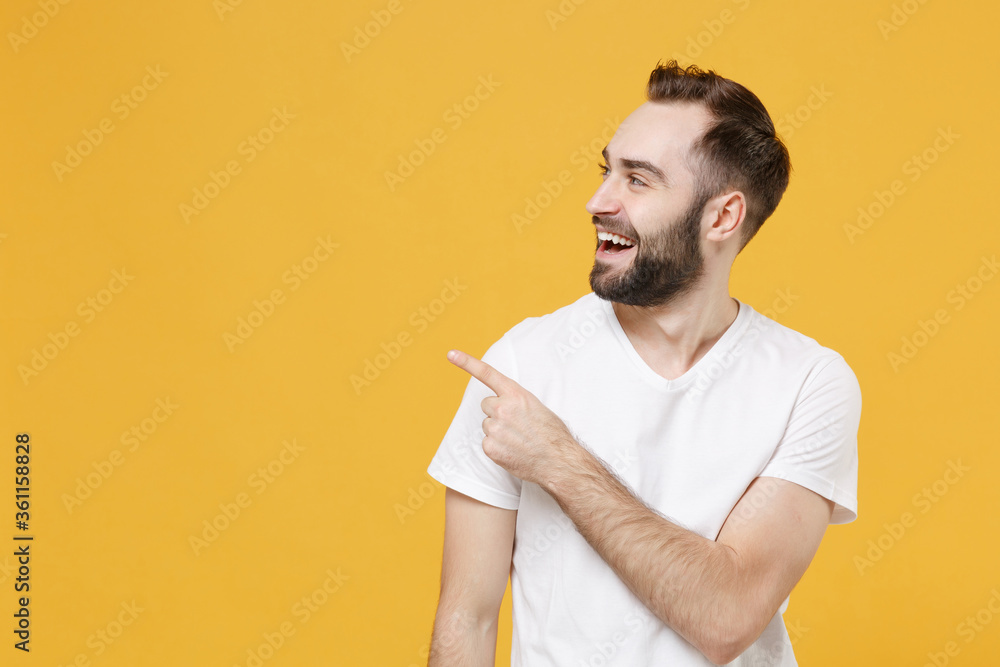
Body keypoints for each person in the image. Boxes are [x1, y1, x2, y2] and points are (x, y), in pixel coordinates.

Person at [425, 60, 861, 666]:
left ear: (722, 216)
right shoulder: (522, 365)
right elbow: (467, 621)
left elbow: (727, 616)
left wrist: (558, 459)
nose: (597, 201)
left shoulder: (809, 383)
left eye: (638, 180)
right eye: (608, 170)